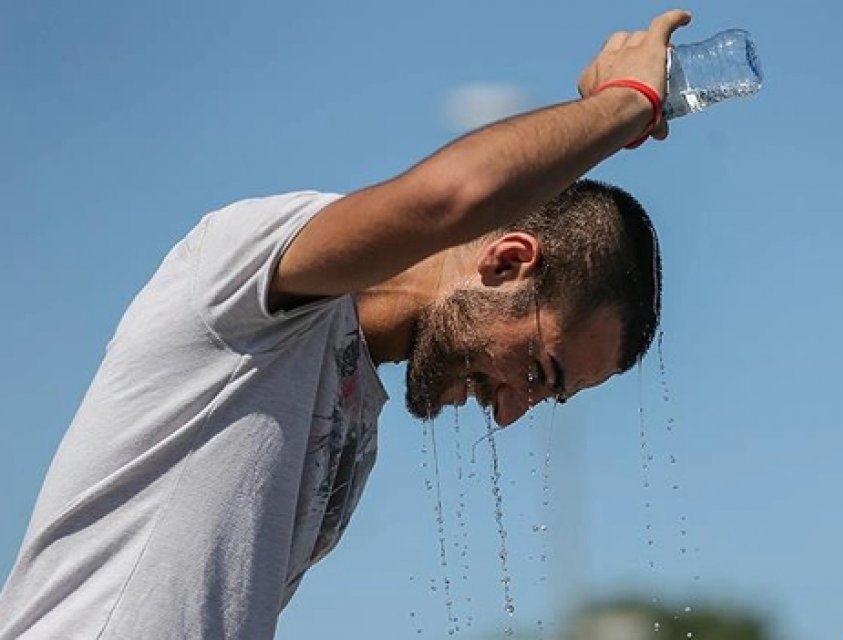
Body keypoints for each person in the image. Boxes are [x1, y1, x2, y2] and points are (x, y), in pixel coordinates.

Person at [0, 9, 691, 638]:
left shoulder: (355, 419)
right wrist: (627, 104)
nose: (509, 413)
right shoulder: (251, 282)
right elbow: (453, 199)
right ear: (507, 262)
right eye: (538, 371)